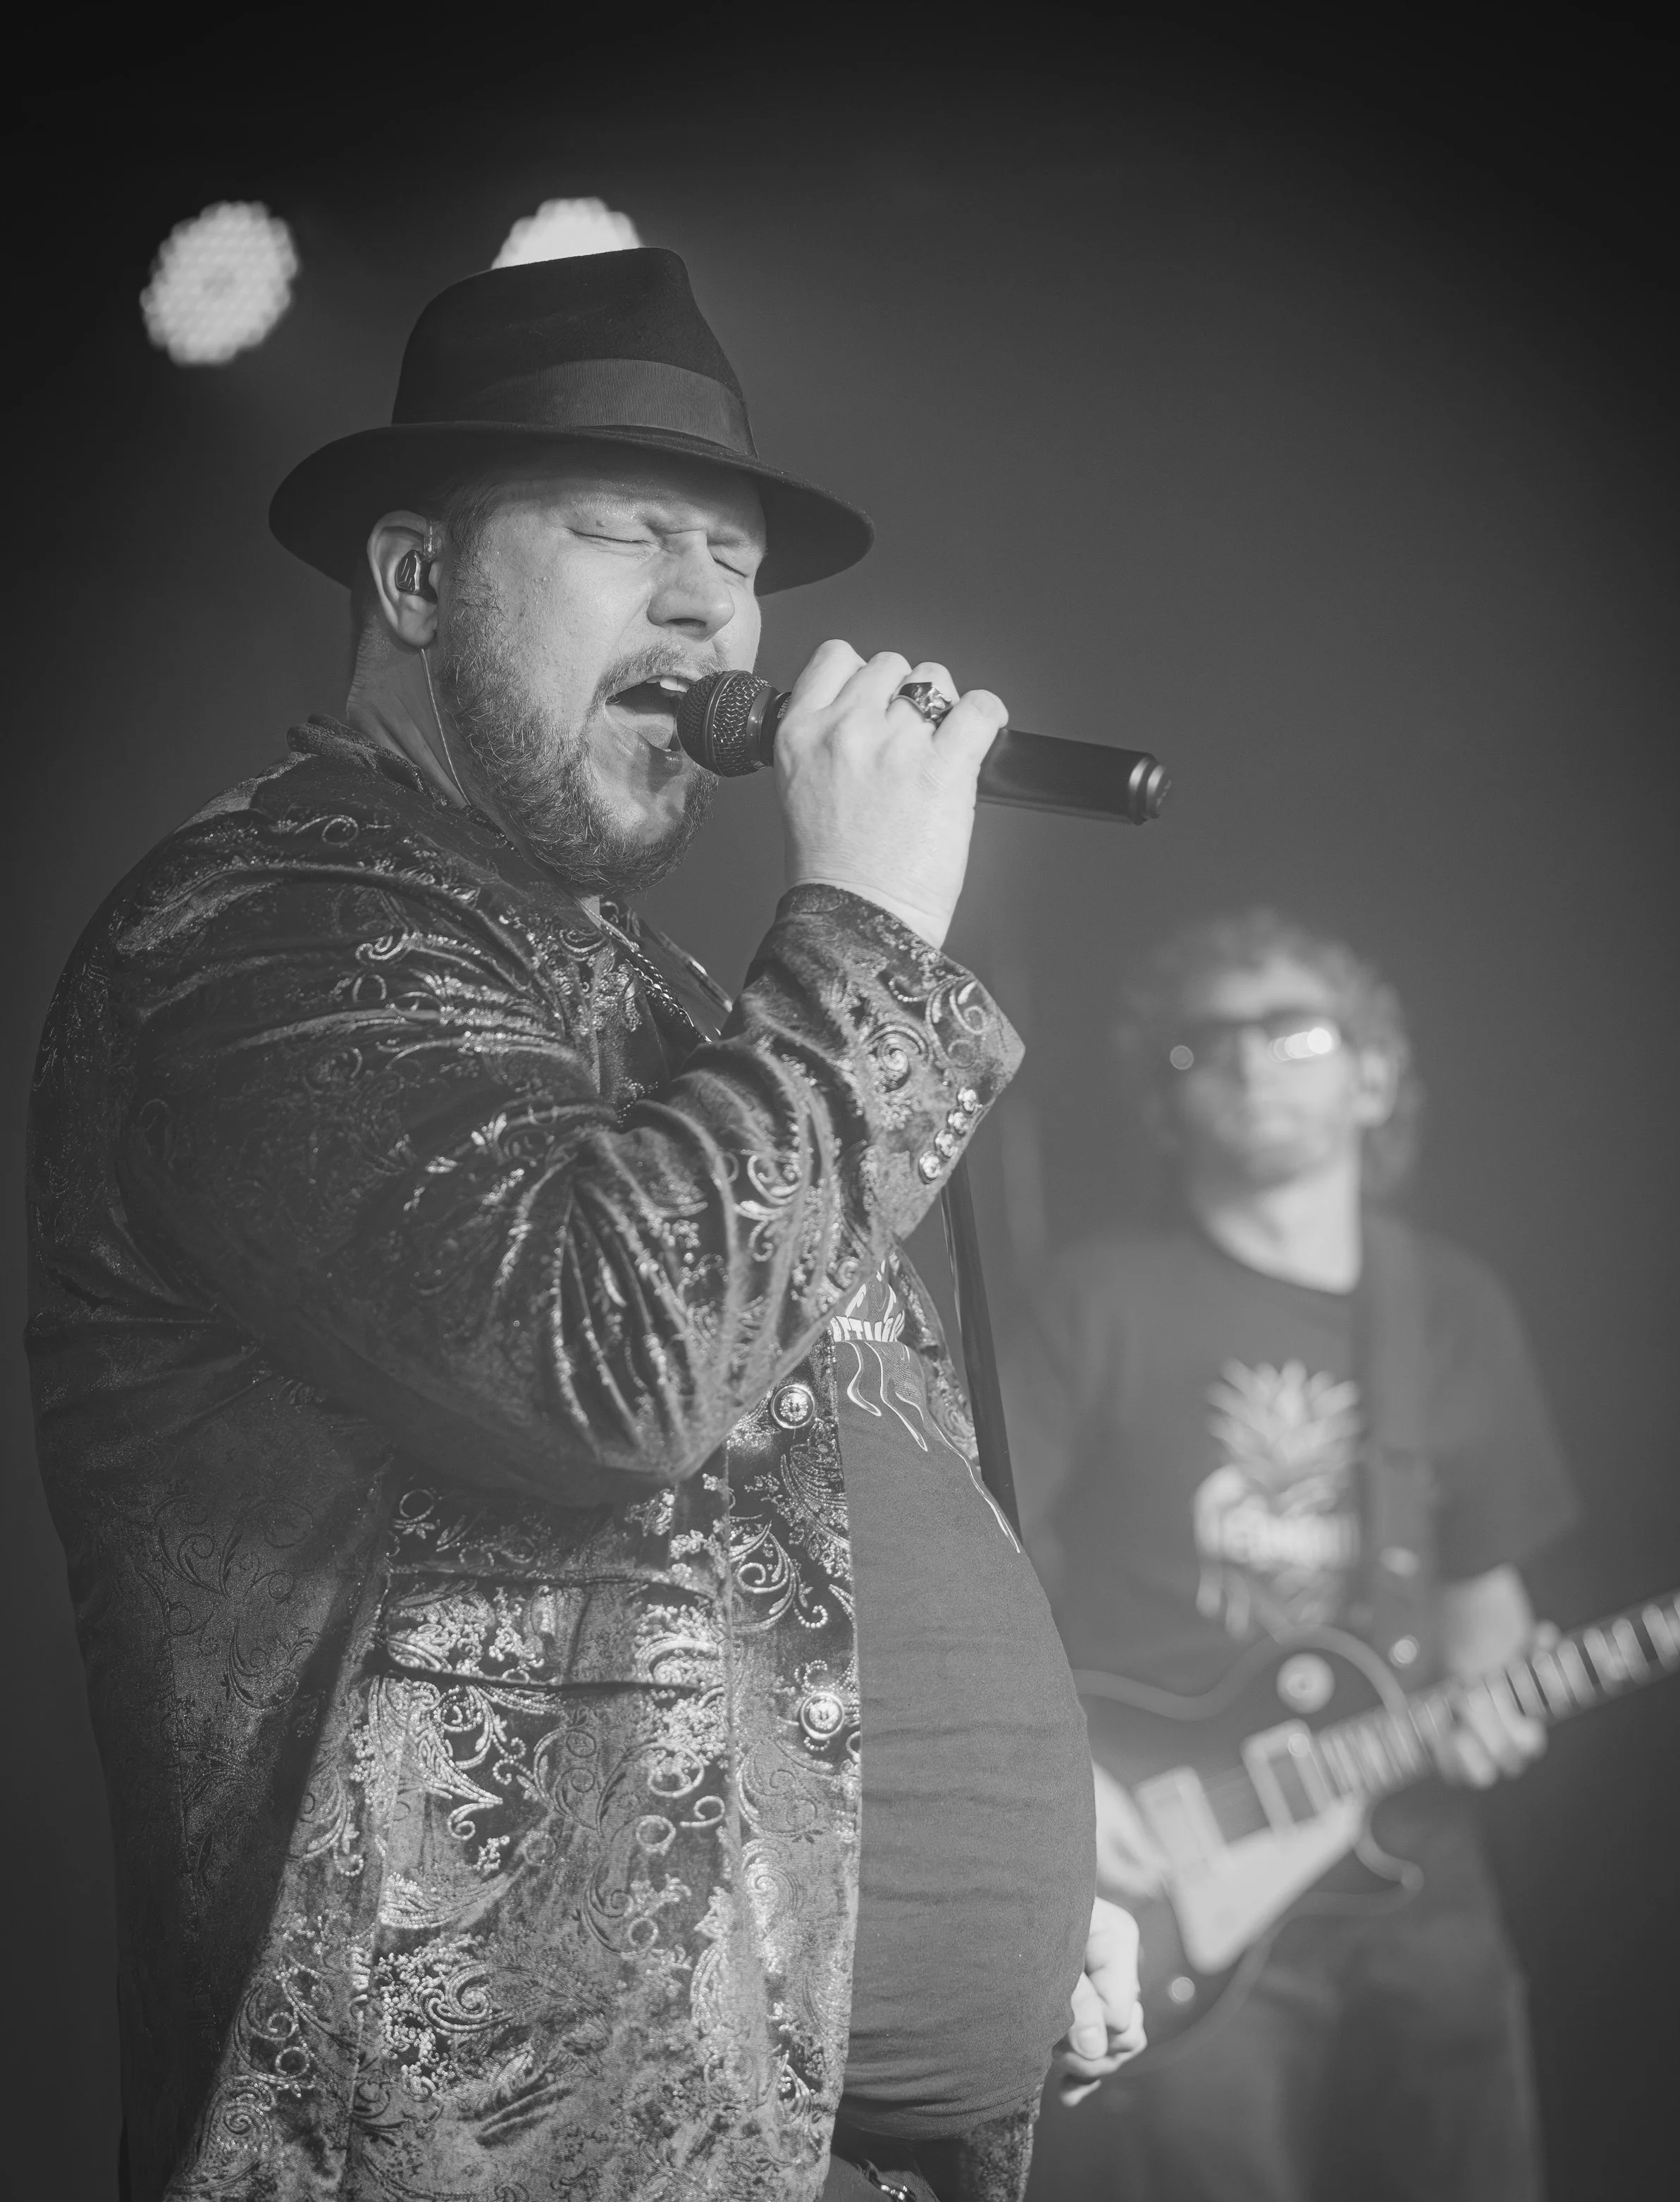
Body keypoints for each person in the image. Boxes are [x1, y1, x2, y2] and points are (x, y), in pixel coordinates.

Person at [27, 247, 1142, 2202]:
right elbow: (599, 1369)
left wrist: (1054, 1840)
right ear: (412, 581)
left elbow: (832, 1466)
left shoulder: (668, 996)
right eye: (627, 534)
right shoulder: (264, 938)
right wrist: (871, 933)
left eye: (732, 553)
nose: (711, 602)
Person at [1012, 908, 1578, 2202]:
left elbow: (1487, 1613)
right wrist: (1072, 1786)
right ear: (1166, 1105)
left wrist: (1502, 1704)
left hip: (1412, 1874)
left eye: (1295, 1028)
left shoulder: (1452, 1308)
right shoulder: (1094, 1302)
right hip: (1167, 1865)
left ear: (1375, 1074)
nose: (1252, 1059)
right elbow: (981, 1575)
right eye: (1202, 1045)